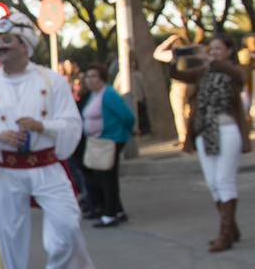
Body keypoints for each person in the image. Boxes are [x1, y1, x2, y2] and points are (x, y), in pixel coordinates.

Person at [0, 12, 95, 269]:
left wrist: (43, 126)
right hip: (7, 170)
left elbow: (72, 122)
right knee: (9, 235)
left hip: (47, 166)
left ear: (25, 44)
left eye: (6, 40)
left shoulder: (52, 81)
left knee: (67, 225)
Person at [154, 32, 251, 251]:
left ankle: (225, 235)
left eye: (218, 49)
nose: (214, 52)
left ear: (229, 51)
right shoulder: (202, 72)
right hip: (204, 133)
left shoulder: (236, 70)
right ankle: (231, 229)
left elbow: (239, 76)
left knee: (224, 181)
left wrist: (212, 60)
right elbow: (177, 74)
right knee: (213, 183)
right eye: (211, 48)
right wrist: (173, 59)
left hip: (227, 131)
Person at [77, 63, 135, 229]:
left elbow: (127, 116)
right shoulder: (95, 95)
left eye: (93, 76)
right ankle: (117, 210)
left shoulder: (108, 94)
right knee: (104, 177)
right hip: (98, 141)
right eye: (87, 76)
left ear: (101, 77)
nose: (89, 80)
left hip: (109, 140)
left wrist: (125, 132)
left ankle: (109, 214)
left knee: (107, 178)